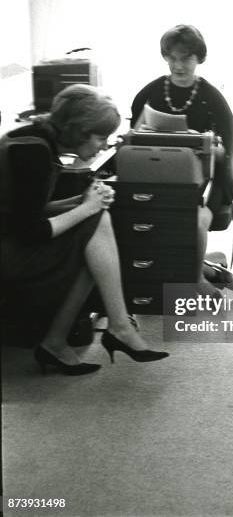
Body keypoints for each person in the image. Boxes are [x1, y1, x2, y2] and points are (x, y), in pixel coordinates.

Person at [0, 84, 169, 375]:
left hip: (10, 238)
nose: (103, 146)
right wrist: (87, 208)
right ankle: (115, 326)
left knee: (96, 240)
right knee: (96, 225)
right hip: (8, 251)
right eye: (100, 137)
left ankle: (69, 338)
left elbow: (24, 212)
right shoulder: (33, 152)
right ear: (78, 131)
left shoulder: (34, 141)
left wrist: (80, 201)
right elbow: (31, 231)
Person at [131, 24, 233, 295]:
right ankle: (209, 270)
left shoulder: (213, 99)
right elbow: (132, 141)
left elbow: (226, 157)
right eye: (172, 58)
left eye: (186, 58)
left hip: (203, 183)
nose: (178, 65)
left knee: (196, 219)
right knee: (139, 220)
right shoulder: (150, 93)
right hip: (155, 177)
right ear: (165, 57)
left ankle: (197, 280)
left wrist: (207, 146)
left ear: (199, 58)